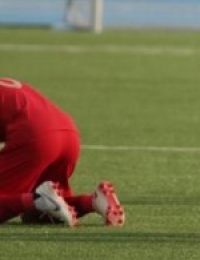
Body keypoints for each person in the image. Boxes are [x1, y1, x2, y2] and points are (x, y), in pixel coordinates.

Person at [0, 77, 124, 227]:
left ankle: (40, 199)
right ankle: (93, 202)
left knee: (34, 200)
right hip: (68, 134)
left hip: (37, 137)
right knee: (40, 214)